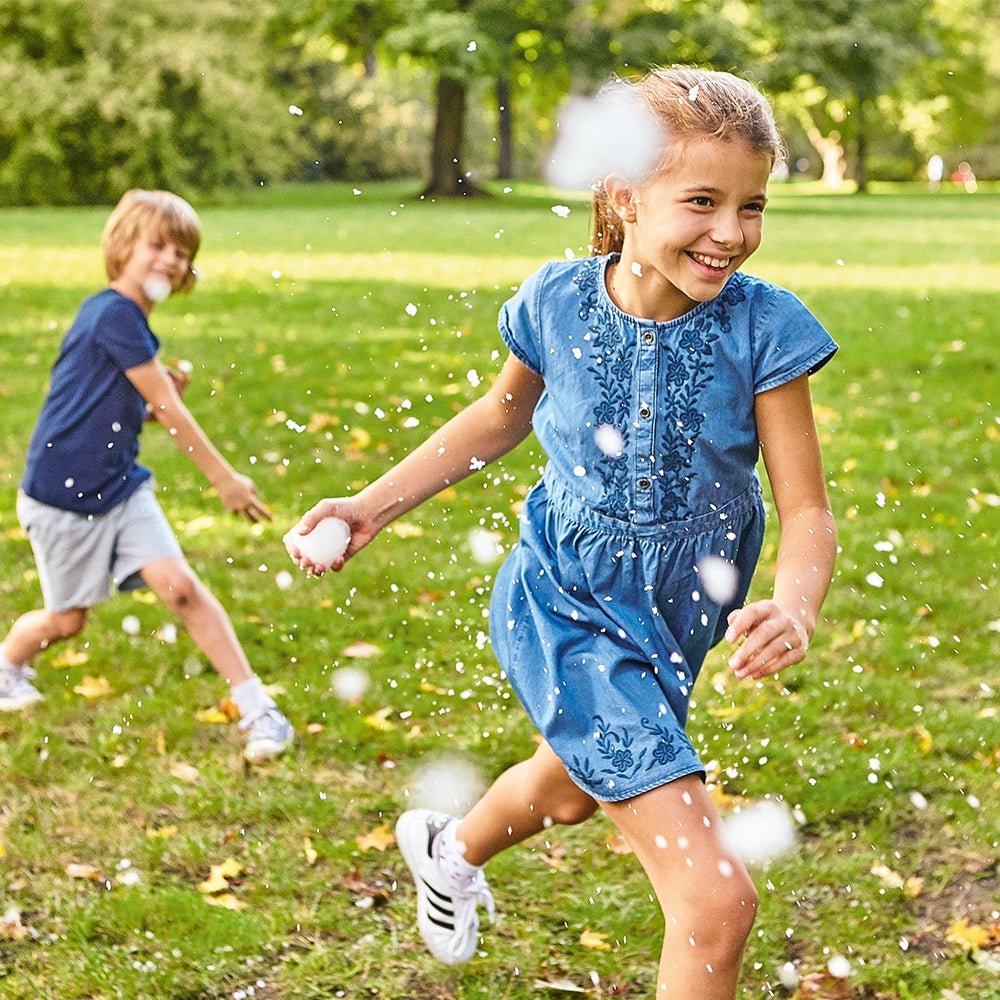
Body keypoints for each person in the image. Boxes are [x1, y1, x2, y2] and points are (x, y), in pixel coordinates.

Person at [287, 66, 838, 997]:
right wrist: (368, 506)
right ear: (623, 198)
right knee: (716, 903)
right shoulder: (557, 303)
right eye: (702, 201)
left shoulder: (767, 329)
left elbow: (808, 508)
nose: (731, 233)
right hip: (565, 604)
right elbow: (497, 419)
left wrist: (795, 604)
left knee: (574, 787)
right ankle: (456, 846)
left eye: (753, 206)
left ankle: (449, 847)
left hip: (678, 615)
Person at [0, 190, 293, 763]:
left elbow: (123, 406)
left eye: (182, 252)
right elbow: (172, 414)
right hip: (63, 498)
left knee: (181, 589)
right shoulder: (113, 313)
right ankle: (7, 667)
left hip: (120, 487)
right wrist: (225, 479)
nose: (169, 259)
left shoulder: (127, 321)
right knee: (66, 621)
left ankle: (259, 709)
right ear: (123, 247)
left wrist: (152, 404)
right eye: (157, 245)